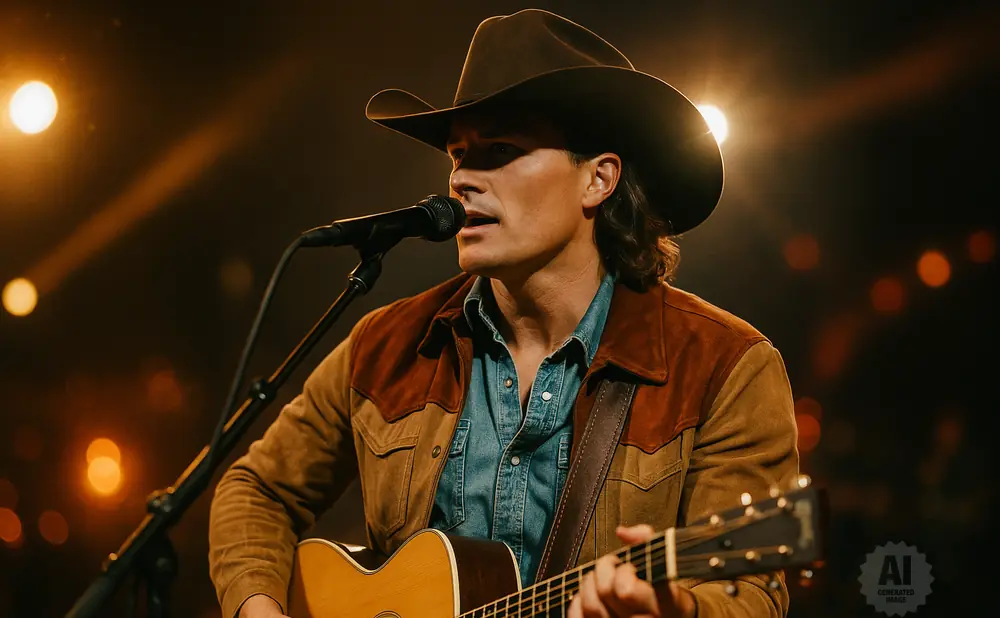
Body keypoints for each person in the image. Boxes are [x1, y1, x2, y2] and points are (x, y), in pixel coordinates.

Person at [208, 8, 799, 618]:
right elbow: (254, 491)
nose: (462, 179)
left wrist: (674, 610)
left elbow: (752, 591)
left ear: (598, 180)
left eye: (500, 149)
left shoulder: (727, 367)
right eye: (459, 155)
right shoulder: (384, 347)